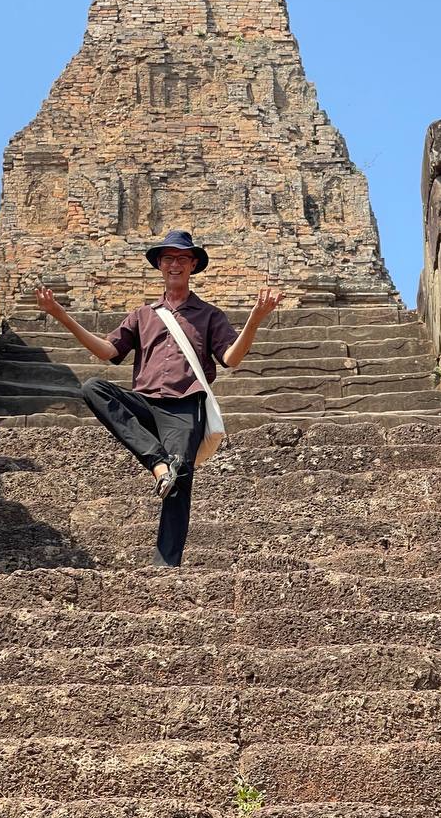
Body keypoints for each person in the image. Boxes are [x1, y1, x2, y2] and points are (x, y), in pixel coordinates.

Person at [35, 229, 283, 567]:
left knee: (179, 480)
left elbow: (231, 358)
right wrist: (61, 316)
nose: (174, 264)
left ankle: (166, 566)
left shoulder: (209, 315)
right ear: (159, 265)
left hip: (185, 406)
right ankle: (156, 461)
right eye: (168, 258)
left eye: (182, 258)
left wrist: (254, 319)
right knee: (94, 387)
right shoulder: (143, 314)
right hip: (145, 402)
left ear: (193, 265)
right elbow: (108, 351)